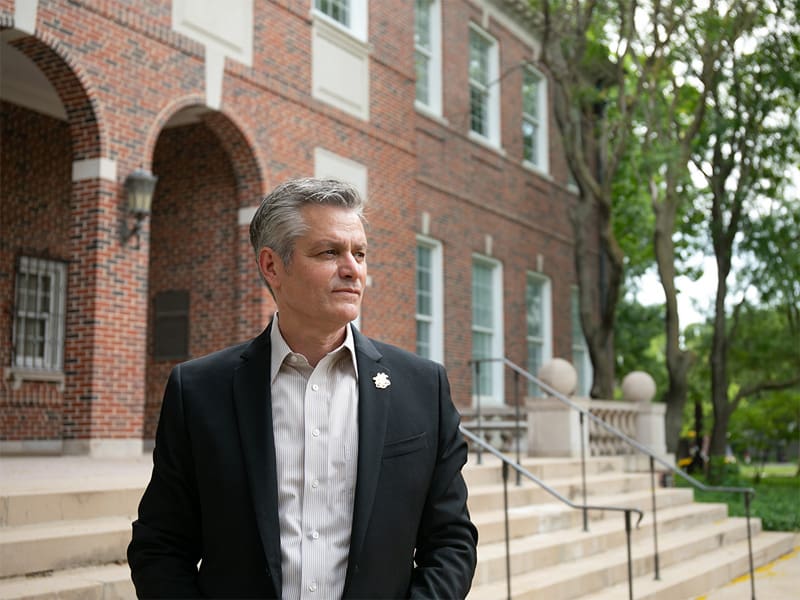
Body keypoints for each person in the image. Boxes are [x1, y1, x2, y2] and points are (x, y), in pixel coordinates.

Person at [128, 177, 478, 599]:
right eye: (329, 252)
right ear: (272, 265)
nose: (353, 269)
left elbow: (451, 542)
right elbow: (161, 545)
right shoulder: (199, 391)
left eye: (360, 253)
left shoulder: (423, 388)